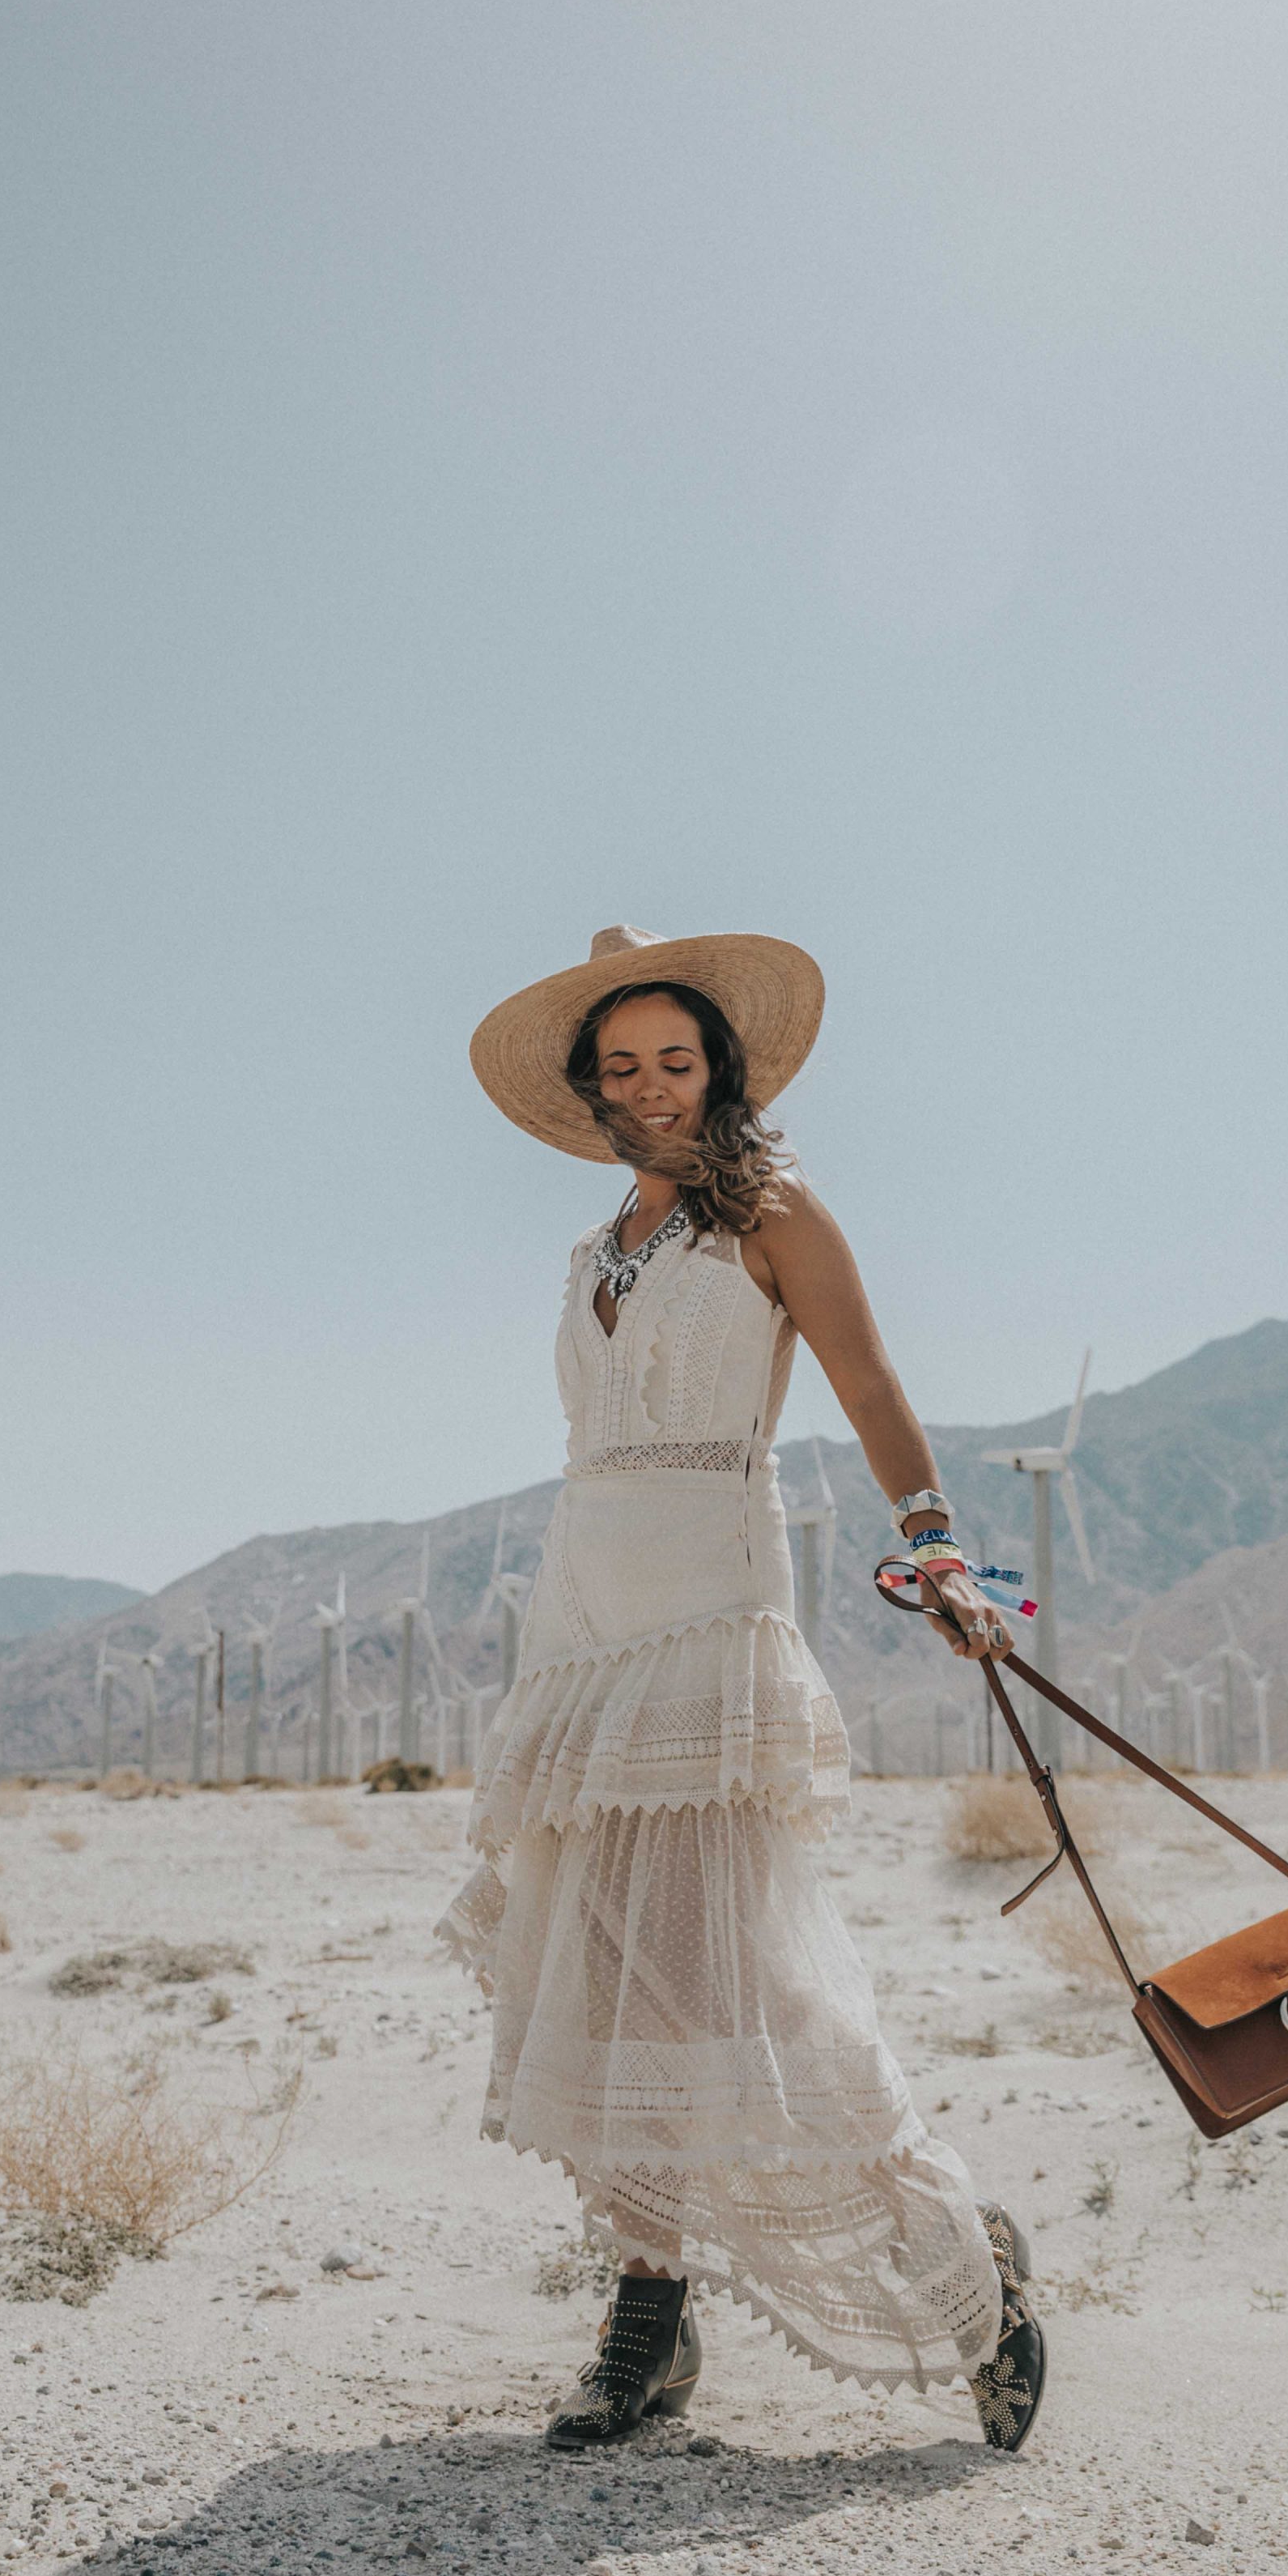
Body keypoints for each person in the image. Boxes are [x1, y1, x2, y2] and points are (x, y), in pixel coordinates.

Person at [437, 924, 1044, 2455]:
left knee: (733, 1975)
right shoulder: (595, 1250)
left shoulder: (775, 1212)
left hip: (711, 1604)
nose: (650, 1086)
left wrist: (939, 1550)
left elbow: (872, 1386)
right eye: (622, 1065)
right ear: (591, 1088)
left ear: (723, 1067)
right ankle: (649, 2325)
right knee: (620, 1968)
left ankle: (968, 2267)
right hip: (585, 1616)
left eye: (677, 1058)